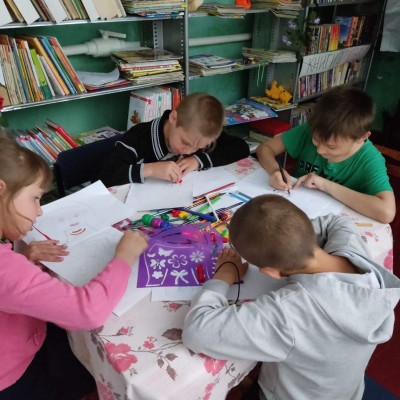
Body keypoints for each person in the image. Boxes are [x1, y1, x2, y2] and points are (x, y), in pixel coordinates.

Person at [182, 194, 400, 400]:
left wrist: (225, 274)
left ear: (270, 272)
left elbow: (197, 331)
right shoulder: (352, 249)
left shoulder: (290, 314)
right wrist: (290, 240)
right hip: (346, 392)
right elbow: (338, 221)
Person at [0, 135, 148, 399]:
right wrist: (124, 256)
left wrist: (23, 260)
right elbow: (88, 311)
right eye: (35, 198)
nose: (39, 212)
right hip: (13, 376)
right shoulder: (5, 270)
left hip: (19, 339)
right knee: (98, 370)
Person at [256, 86, 395, 224]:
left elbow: (387, 212)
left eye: (331, 146)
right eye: (316, 140)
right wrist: (275, 170)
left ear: (362, 137)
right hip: (293, 212)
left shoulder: (370, 160)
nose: (320, 150)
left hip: (333, 224)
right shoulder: (313, 129)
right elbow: (265, 148)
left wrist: (326, 185)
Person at [97, 92, 250, 187]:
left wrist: (198, 160)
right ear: (173, 118)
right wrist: (150, 169)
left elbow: (241, 147)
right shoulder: (139, 137)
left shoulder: (200, 133)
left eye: (197, 147)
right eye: (185, 142)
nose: (188, 151)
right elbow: (105, 176)